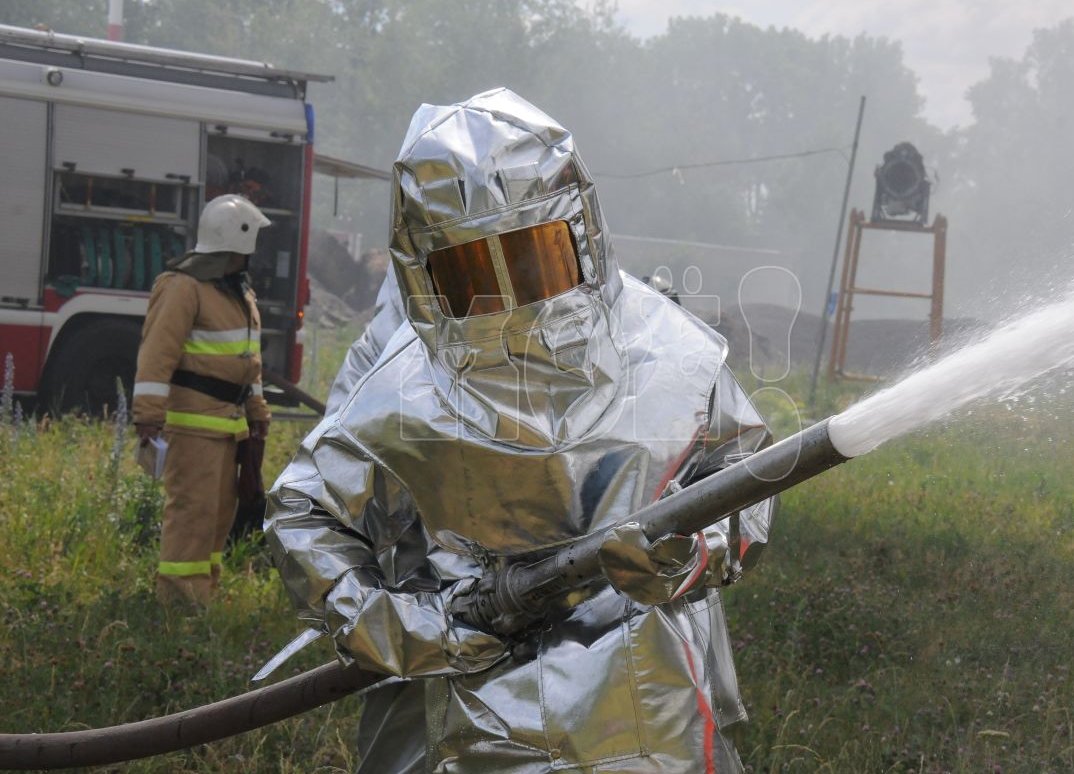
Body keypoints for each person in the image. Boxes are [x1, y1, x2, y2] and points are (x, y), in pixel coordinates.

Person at [265, 88, 775, 772]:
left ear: (580, 236)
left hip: (647, 721)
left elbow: (743, 476)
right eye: (474, 272)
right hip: (457, 734)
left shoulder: (674, 356)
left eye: (533, 256)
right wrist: (411, 630)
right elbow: (303, 516)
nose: (514, 303)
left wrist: (694, 553)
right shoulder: (397, 397)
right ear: (425, 277)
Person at [133, 194, 272, 605]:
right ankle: (179, 604)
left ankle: (202, 598)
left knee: (216, 520)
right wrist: (148, 417)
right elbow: (157, 355)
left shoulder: (238, 294)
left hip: (229, 427)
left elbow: (250, 365)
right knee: (192, 516)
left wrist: (257, 413)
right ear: (238, 241)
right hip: (193, 426)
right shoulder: (182, 287)